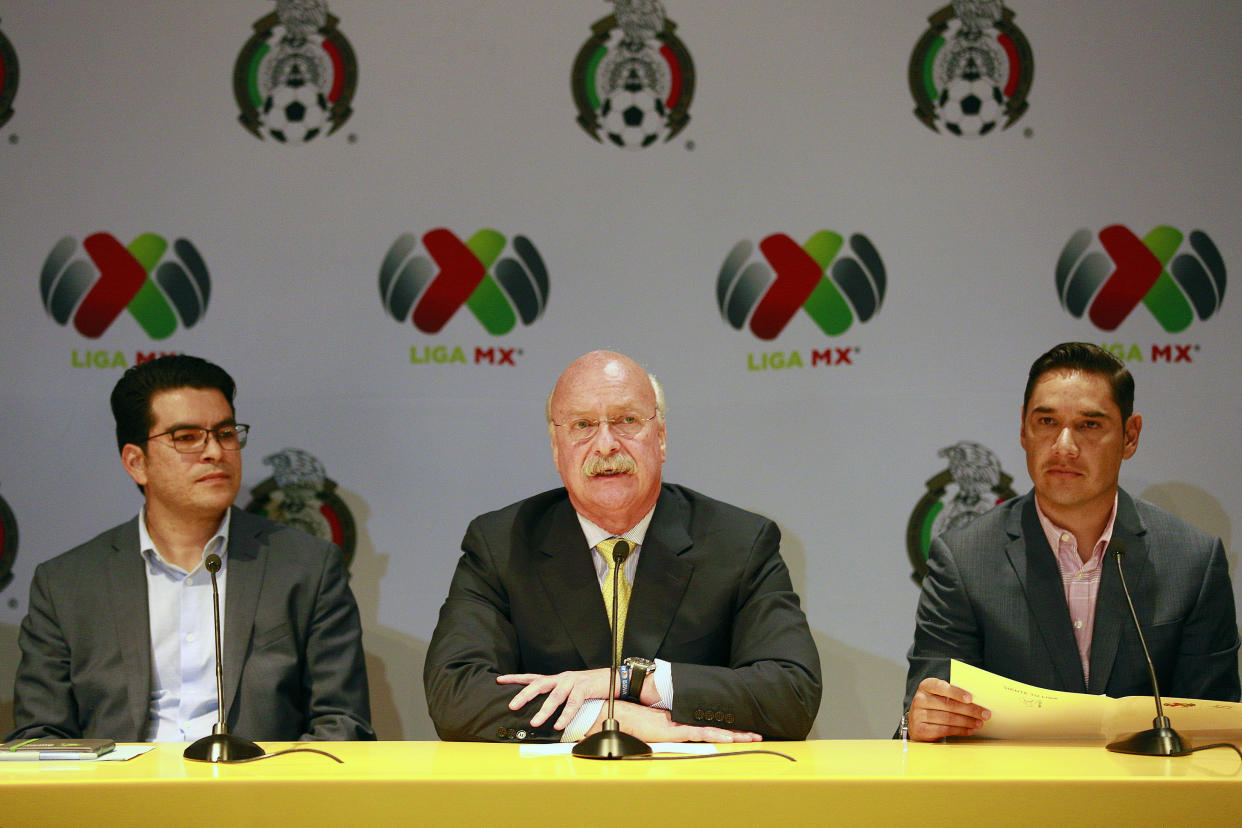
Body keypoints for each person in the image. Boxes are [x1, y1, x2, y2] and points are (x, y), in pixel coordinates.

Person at [425, 350, 821, 743]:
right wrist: (609, 717)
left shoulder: (739, 543)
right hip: (549, 798)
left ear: (661, 438)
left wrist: (632, 681)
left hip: (695, 795)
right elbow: (455, 695)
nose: (606, 445)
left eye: (627, 421)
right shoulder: (501, 544)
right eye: (582, 425)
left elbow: (791, 694)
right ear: (555, 449)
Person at [9, 355, 374, 742]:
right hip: (121, 797)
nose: (215, 451)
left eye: (226, 433)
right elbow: (40, 737)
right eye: (186, 438)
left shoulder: (307, 567)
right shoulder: (66, 584)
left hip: (256, 794)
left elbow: (342, 724)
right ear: (136, 463)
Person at [903, 342, 1240, 741]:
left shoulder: (1192, 562)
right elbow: (932, 725)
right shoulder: (963, 559)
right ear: (1024, 431)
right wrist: (923, 721)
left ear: (1130, 437)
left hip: (1145, 799)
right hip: (1011, 796)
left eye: (1089, 425)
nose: (1064, 446)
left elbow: (1216, 733)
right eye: (1046, 422)